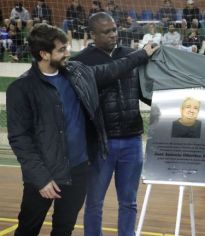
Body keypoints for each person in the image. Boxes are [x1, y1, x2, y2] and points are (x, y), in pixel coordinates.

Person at [6, 23, 157, 236]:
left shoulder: (76, 72)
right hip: (44, 176)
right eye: (61, 50)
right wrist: (41, 178)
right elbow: (20, 139)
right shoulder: (22, 89)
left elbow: (112, 69)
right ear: (44, 54)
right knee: (28, 229)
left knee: (64, 229)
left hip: (77, 172)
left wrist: (141, 55)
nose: (68, 53)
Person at [70, 12, 150, 236]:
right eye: (106, 32)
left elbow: (146, 93)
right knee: (94, 202)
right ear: (93, 35)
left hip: (133, 140)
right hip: (100, 144)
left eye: (114, 29)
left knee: (129, 202)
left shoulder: (132, 54)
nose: (113, 34)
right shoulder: (80, 61)